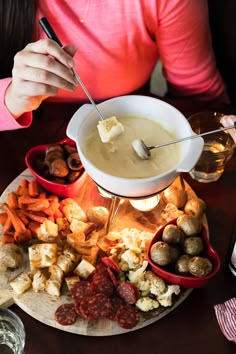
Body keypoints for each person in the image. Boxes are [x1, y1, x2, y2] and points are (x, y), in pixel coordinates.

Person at [0, 0, 229, 132]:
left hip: (134, 124)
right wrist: (10, 98)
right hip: (29, 136)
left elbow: (199, 95)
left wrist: (222, 125)